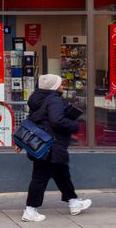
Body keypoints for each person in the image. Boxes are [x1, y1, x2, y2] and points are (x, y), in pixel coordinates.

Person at [21, 74, 92, 222]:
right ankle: (30, 210)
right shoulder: (54, 99)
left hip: (43, 144)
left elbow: (33, 120)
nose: (63, 86)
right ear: (53, 86)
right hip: (51, 145)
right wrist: (75, 126)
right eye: (60, 84)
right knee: (40, 178)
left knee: (62, 173)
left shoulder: (36, 99)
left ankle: (73, 202)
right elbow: (57, 120)